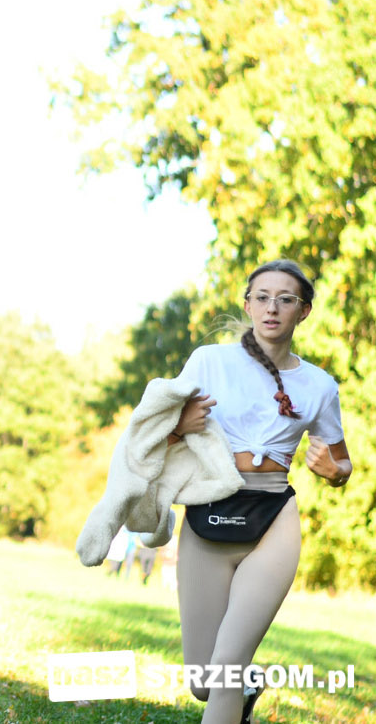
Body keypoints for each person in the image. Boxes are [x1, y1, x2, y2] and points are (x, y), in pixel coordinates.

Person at [168, 259, 352, 724]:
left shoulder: (319, 385)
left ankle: (237, 680)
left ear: (303, 311)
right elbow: (150, 435)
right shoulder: (208, 361)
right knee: (204, 682)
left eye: (285, 299)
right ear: (248, 305)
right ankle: (247, 688)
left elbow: (342, 463)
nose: (272, 308)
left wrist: (334, 471)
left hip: (273, 519)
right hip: (207, 510)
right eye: (263, 297)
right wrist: (180, 425)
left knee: (226, 665)